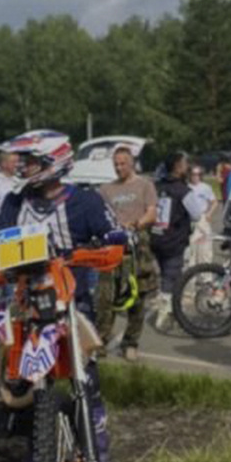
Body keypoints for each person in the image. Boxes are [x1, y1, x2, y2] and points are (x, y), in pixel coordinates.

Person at [0, 129, 123, 462]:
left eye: (30, 161)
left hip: (72, 298)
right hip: (25, 301)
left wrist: (116, 241)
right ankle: (38, 455)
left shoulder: (86, 201)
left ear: (53, 161)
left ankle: (101, 455)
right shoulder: (15, 203)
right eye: (22, 160)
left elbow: (114, 232)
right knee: (28, 381)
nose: (22, 167)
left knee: (87, 378)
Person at [96, 145, 159, 360]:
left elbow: (151, 213)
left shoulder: (145, 185)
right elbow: (99, 216)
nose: (118, 167)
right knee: (106, 296)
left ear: (131, 163)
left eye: (122, 163)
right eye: (115, 164)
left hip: (138, 246)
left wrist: (136, 225)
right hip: (111, 247)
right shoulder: (105, 189)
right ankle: (101, 340)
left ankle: (130, 342)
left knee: (137, 296)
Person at [150, 151, 204, 331]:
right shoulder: (183, 191)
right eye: (185, 163)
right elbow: (197, 213)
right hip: (174, 240)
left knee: (165, 274)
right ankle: (164, 315)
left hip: (156, 236)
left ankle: (167, 307)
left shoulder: (157, 186)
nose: (188, 166)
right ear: (178, 167)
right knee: (171, 276)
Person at [186, 162, 219, 267]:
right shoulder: (186, 187)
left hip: (202, 219)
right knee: (191, 249)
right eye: (193, 174)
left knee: (205, 249)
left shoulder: (205, 187)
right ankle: (190, 278)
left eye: (198, 174)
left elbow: (214, 202)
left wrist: (209, 214)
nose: (196, 177)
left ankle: (206, 277)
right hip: (189, 220)